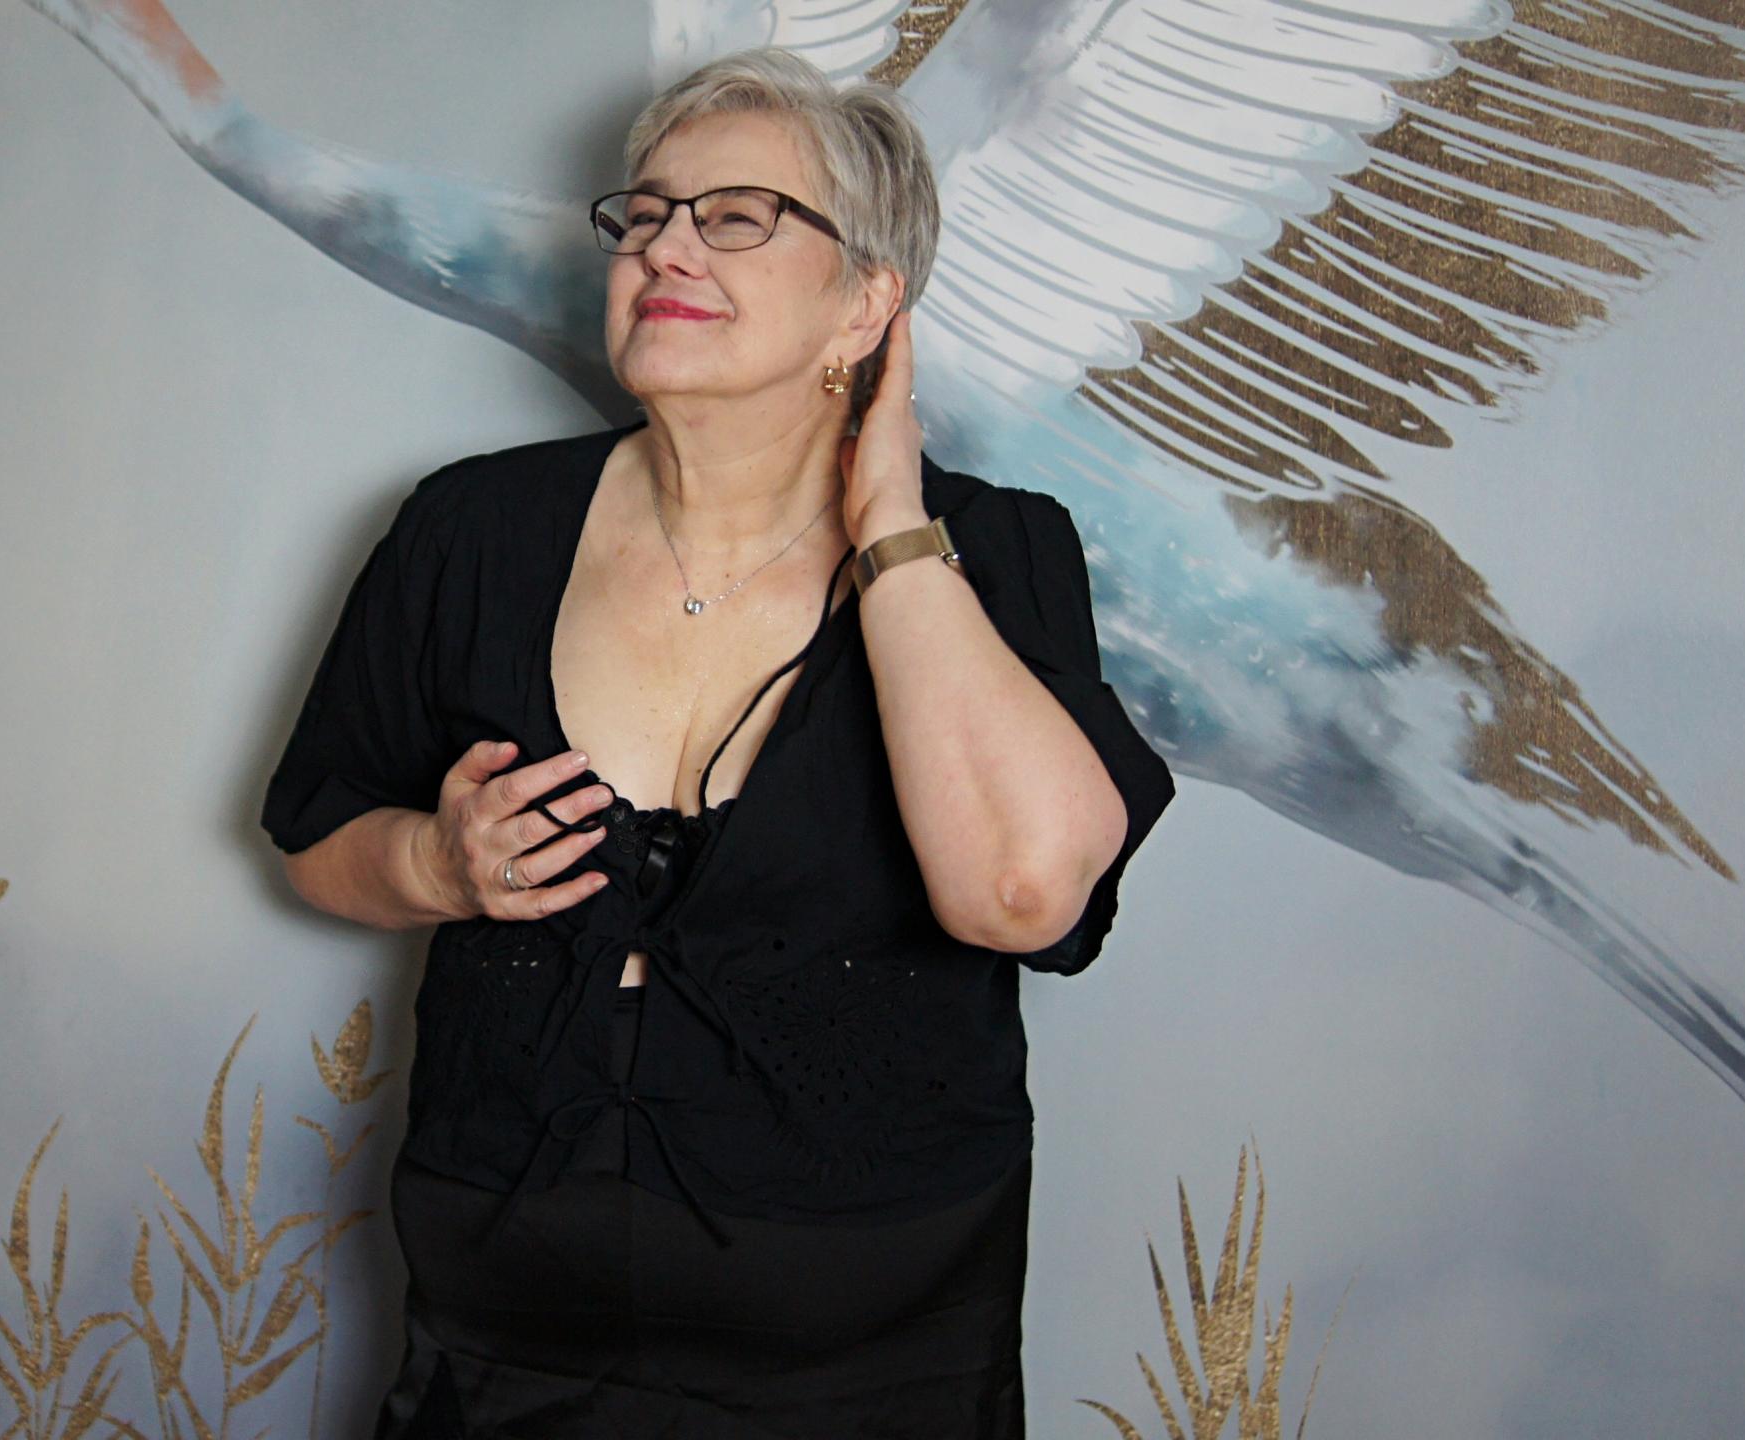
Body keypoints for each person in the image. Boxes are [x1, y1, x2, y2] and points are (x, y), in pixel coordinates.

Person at [260, 47, 1176, 1439]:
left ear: (866, 301)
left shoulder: (990, 553)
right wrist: (434, 866)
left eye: (738, 216)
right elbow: (317, 842)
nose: (666, 246)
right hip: (497, 1360)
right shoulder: (469, 530)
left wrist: (892, 527)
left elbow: (1022, 894)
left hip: (867, 1377)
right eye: (645, 213)